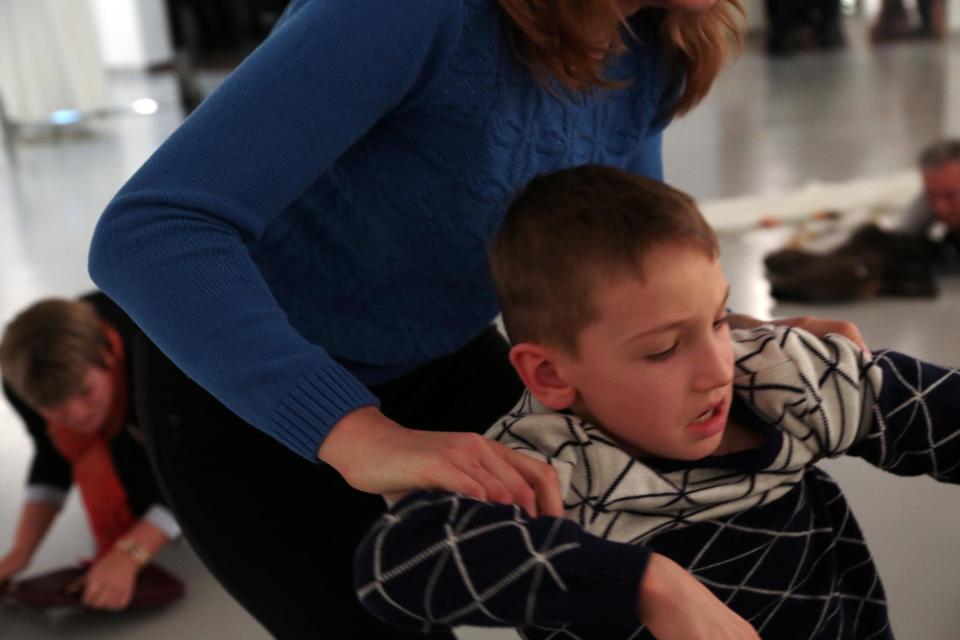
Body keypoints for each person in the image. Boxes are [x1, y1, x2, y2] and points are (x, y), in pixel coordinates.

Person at [87, 1, 857, 637]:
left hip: (442, 360)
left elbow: (613, 281)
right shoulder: (410, 14)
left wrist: (738, 340)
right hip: (250, 397)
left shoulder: (654, 36)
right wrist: (362, 438)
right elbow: (151, 232)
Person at [354, 166, 960, 639]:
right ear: (551, 374)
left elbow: (941, 414)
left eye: (720, 319)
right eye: (663, 349)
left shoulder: (780, 380)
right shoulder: (547, 470)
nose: (716, 371)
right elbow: (399, 565)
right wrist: (647, 585)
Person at [0, 293, 181, 611]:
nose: (76, 416)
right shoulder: (25, 385)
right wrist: (19, 554)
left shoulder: (160, 358)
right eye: (53, 407)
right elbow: (52, 454)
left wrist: (130, 552)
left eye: (85, 392)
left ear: (107, 354)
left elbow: (198, 468)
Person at [900, 139, 960, 247]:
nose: (940, 208)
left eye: (950, 196)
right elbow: (900, 237)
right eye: (932, 196)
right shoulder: (928, 200)